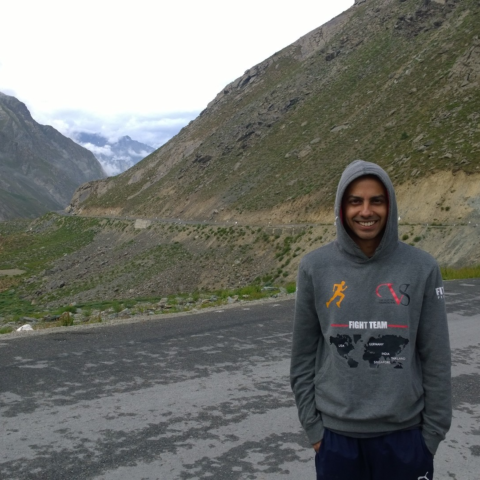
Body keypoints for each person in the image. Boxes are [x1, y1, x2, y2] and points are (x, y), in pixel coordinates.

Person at [290, 160, 451, 480]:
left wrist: (431, 436)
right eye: (355, 201)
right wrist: (315, 430)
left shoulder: (422, 267)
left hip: (406, 438)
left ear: (389, 205)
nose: (366, 211)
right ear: (341, 207)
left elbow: (436, 357)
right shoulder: (314, 268)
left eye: (376, 200)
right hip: (336, 440)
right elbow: (303, 356)